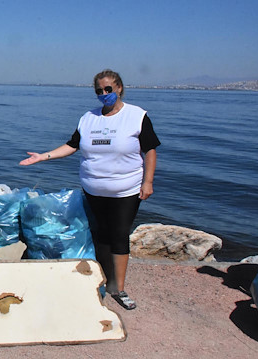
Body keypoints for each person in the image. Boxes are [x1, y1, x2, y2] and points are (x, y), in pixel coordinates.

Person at [20, 69, 160, 310]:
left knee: (118, 235)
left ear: (119, 88)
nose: (104, 94)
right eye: (99, 91)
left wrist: (148, 182)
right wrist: (43, 157)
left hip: (124, 191)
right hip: (93, 190)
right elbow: (72, 145)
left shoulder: (136, 116)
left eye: (108, 89)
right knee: (99, 236)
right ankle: (102, 282)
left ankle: (119, 288)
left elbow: (150, 150)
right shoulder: (89, 118)